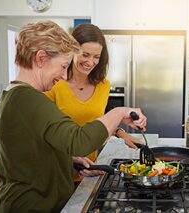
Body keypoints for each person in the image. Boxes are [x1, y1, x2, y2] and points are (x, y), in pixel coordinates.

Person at [0, 20, 147, 213]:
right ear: (41, 58)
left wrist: (70, 161)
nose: (65, 76)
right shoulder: (30, 99)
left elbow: (36, 150)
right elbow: (78, 140)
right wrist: (118, 112)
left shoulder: (12, 95)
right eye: (63, 65)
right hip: (32, 205)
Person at [43, 24, 143, 183]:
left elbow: (96, 123)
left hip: (90, 170)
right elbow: (43, 134)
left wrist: (122, 134)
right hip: (59, 173)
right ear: (72, 51)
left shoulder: (103, 86)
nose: (90, 62)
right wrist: (71, 160)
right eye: (85, 54)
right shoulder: (54, 84)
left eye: (96, 57)